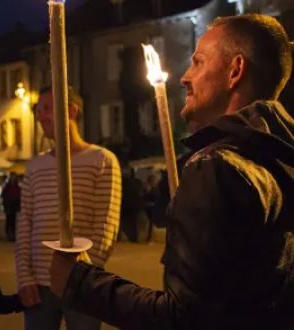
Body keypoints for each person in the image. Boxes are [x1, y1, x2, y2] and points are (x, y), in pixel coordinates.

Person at [49, 14, 294, 330]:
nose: (184, 77)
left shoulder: (217, 167)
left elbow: (182, 318)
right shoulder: (280, 159)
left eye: (199, 62)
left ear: (235, 71)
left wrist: (79, 281)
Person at [15, 86, 122, 330]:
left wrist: (83, 274)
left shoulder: (102, 160)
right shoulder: (35, 166)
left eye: (47, 108)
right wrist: (24, 277)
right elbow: (25, 224)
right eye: (38, 109)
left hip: (82, 282)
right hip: (39, 285)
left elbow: (106, 225)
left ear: (71, 111)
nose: (40, 116)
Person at [1, 172, 21, 241]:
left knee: (13, 220)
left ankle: (13, 234)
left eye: (15, 177)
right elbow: (3, 195)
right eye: (13, 177)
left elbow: (19, 195)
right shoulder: (7, 186)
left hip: (15, 205)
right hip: (8, 205)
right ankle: (9, 234)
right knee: (9, 220)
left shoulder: (17, 186)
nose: (14, 178)